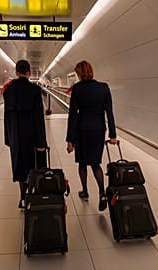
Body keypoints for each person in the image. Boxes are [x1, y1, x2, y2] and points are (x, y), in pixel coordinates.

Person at [65, 60, 118, 211]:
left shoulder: (77, 89)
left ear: (80, 74)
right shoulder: (103, 87)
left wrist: (70, 139)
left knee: (82, 163)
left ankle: (85, 191)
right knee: (95, 163)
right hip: (98, 129)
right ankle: (102, 192)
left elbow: (73, 115)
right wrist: (113, 134)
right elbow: (109, 112)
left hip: (82, 129)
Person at [2, 60, 47, 209]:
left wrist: (8, 138)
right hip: (31, 135)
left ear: (16, 72)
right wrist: (42, 142)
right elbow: (39, 118)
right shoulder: (34, 91)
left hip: (15, 135)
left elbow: (6, 116)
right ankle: (33, 194)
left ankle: (22, 196)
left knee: (19, 165)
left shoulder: (8, 91)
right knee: (33, 165)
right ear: (29, 73)